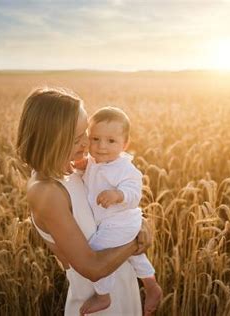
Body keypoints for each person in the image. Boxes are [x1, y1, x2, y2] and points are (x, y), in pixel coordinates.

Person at [16, 87, 153, 316]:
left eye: (86, 135)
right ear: (52, 138)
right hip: (98, 306)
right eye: (77, 138)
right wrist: (136, 239)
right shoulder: (46, 191)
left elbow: (108, 207)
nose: (86, 145)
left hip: (122, 289)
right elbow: (93, 267)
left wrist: (136, 219)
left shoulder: (73, 170)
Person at [77, 107, 162, 315]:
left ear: (125, 144)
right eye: (95, 139)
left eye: (111, 141)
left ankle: (103, 296)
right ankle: (152, 286)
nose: (101, 147)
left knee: (96, 250)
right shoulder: (93, 162)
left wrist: (118, 195)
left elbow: (134, 194)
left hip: (121, 221)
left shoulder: (125, 169)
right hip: (111, 221)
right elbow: (83, 167)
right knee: (136, 257)